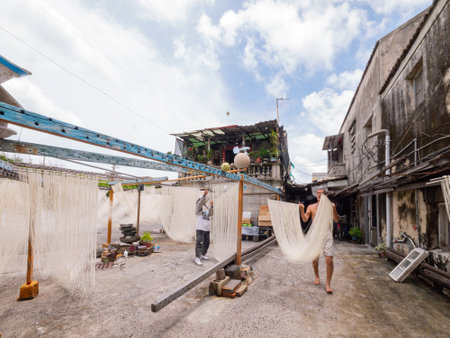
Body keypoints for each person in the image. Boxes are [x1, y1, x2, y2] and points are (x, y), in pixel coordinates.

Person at [299, 187, 339, 293]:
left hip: (326, 234)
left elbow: (336, 219)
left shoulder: (330, 206)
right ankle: (317, 277)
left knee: (329, 259)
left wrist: (334, 209)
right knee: (315, 258)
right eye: (317, 193)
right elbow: (305, 219)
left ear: (325, 195)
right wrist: (302, 210)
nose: (319, 195)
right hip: (315, 234)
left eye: (321, 194)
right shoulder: (311, 207)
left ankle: (328, 284)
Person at [194, 189, 213, 266]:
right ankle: (197, 257)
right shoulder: (198, 208)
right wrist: (204, 195)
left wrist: (212, 206)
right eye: (203, 199)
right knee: (199, 242)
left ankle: (202, 254)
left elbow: (211, 214)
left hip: (206, 228)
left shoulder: (206, 208)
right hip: (200, 228)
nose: (204, 201)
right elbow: (200, 203)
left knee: (207, 242)